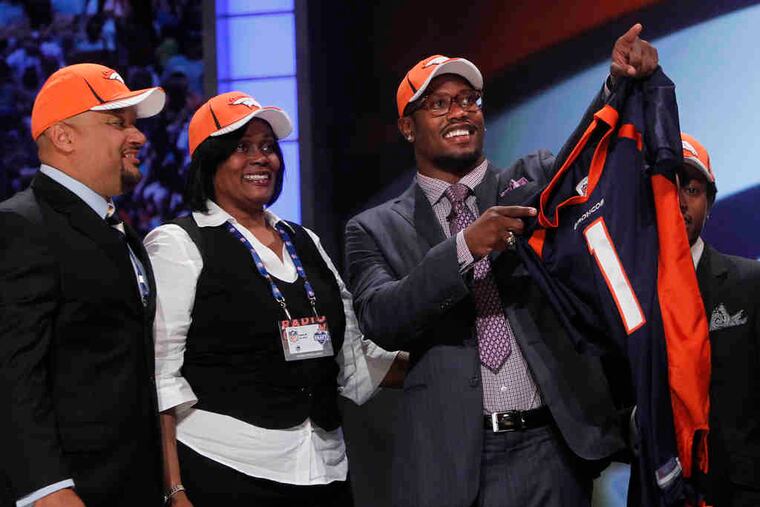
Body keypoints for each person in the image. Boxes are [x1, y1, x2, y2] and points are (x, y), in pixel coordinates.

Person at [343, 24, 659, 507]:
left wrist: (615, 85)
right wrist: (464, 248)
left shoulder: (528, 179)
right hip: (454, 461)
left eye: (469, 99)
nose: (460, 112)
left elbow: (582, 157)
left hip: (551, 450)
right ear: (407, 126)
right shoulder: (373, 229)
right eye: (439, 104)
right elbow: (382, 319)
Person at [145, 92, 404, 507]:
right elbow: (160, 377)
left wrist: (446, 361)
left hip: (326, 469)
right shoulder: (178, 244)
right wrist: (174, 489)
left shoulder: (307, 242)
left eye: (267, 147)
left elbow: (353, 361)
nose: (261, 158)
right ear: (208, 161)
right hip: (226, 467)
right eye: (242, 147)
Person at [0, 63, 166, 506]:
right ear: (64, 137)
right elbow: (13, 374)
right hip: (73, 490)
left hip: (131, 483)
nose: (138, 137)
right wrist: (46, 489)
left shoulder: (116, 224)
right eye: (117, 123)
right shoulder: (21, 225)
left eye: (134, 124)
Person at [677, 133, 760, 506]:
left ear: (709, 203)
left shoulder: (750, 283)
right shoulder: (623, 296)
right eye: (666, 189)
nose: (679, 203)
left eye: (692, 190)